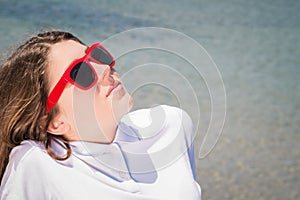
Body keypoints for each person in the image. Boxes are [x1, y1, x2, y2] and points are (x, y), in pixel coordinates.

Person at [0, 31, 201, 199]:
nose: (106, 68)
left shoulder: (171, 126)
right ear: (54, 123)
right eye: (79, 72)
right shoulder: (35, 164)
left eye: (96, 55)